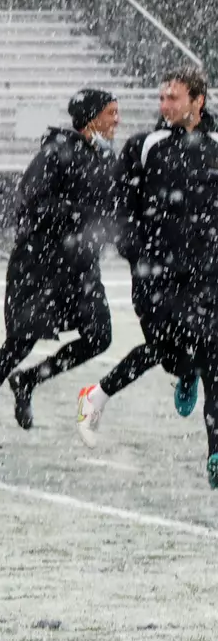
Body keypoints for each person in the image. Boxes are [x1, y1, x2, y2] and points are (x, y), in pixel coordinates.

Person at [0, 88, 119, 449]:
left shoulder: (103, 157)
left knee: (99, 336)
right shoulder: (56, 151)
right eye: (110, 113)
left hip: (80, 266)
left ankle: (28, 381)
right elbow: (33, 201)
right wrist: (84, 216)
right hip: (40, 266)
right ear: (91, 118)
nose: (116, 119)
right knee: (18, 344)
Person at [78, 69, 216, 462]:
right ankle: (98, 395)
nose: (164, 105)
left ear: (197, 101)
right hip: (155, 275)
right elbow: (120, 208)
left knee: (213, 356)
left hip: (205, 275)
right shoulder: (144, 146)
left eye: (173, 98)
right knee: (166, 350)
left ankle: (216, 454)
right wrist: (138, 255)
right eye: (162, 98)